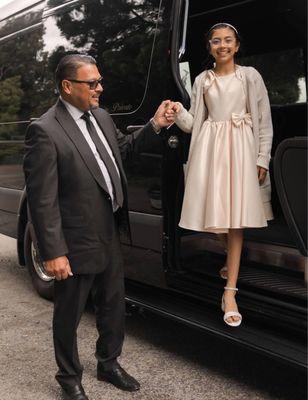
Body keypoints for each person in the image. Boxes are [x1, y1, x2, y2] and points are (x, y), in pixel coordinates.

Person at [23, 54, 170, 400]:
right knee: (69, 313)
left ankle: (108, 363)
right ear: (67, 86)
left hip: (109, 230)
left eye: (99, 81)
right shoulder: (45, 130)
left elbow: (124, 151)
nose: (100, 88)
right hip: (74, 241)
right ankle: (69, 377)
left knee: (113, 303)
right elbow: (42, 200)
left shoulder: (101, 117)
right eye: (93, 83)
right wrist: (53, 252)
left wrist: (155, 125)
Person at [165, 23, 273, 327]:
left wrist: (262, 157)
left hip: (241, 149)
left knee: (235, 220)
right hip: (210, 153)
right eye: (216, 41)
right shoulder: (203, 80)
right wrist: (178, 112)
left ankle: (229, 292)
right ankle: (232, 254)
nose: (222, 45)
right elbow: (194, 122)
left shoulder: (250, 76)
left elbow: (264, 121)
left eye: (228, 41)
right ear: (210, 47)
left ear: (237, 46)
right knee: (210, 216)